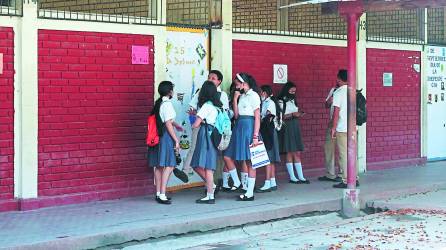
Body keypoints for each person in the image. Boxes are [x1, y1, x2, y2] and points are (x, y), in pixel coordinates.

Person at [185, 70, 229, 193]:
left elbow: (224, 112)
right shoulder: (201, 92)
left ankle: (210, 188)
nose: (210, 80)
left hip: (211, 130)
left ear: (219, 81)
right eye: (209, 77)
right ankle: (211, 186)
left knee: (208, 161)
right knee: (197, 153)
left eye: (213, 78)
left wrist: (201, 117)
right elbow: (192, 106)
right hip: (203, 128)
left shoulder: (222, 96)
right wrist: (194, 112)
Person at [224, 72, 261, 201]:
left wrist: (255, 135)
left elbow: (257, 116)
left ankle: (249, 192)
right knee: (227, 156)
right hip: (239, 126)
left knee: (250, 162)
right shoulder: (242, 96)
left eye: (237, 84)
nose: (236, 86)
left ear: (244, 83)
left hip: (249, 127)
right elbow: (236, 115)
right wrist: (235, 99)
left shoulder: (254, 95)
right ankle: (238, 182)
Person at [148, 81, 182, 205]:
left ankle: (158, 193)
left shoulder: (158, 103)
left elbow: (165, 120)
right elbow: (168, 123)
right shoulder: (167, 104)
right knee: (170, 164)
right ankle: (163, 194)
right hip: (165, 137)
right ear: (170, 92)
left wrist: (176, 125)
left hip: (157, 137)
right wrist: (176, 140)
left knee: (158, 166)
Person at [190, 81, 223, 204]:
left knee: (204, 166)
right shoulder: (216, 106)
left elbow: (195, 125)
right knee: (205, 165)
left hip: (205, 135)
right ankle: (211, 187)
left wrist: (194, 119)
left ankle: (210, 195)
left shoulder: (206, 106)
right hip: (212, 134)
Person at [331, 70, 360, 188]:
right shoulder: (353, 91)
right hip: (353, 128)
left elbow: (336, 113)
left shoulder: (338, 92)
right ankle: (355, 178)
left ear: (338, 79)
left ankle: (346, 180)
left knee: (343, 155)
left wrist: (333, 128)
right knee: (353, 154)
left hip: (342, 128)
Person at [278, 81, 309, 184]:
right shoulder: (281, 101)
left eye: (294, 91)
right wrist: (293, 115)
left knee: (297, 152)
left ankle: (301, 176)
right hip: (288, 126)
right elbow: (281, 117)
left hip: (295, 126)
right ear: (286, 89)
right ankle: (292, 177)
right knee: (290, 151)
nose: (293, 92)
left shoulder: (293, 100)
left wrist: (299, 114)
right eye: (291, 90)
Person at [256, 85, 281, 192]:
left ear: (265, 93)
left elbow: (268, 117)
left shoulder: (269, 103)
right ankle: (272, 182)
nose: (260, 94)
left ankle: (267, 183)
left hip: (268, 132)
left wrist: (259, 120)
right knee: (271, 158)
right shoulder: (267, 102)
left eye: (261, 92)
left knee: (268, 158)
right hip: (269, 132)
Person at [318, 81, 343, 182]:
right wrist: (330, 101)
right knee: (329, 148)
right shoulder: (334, 90)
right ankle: (330, 174)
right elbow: (326, 105)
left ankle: (343, 174)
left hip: (342, 125)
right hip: (332, 123)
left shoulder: (349, 91)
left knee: (343, 150)